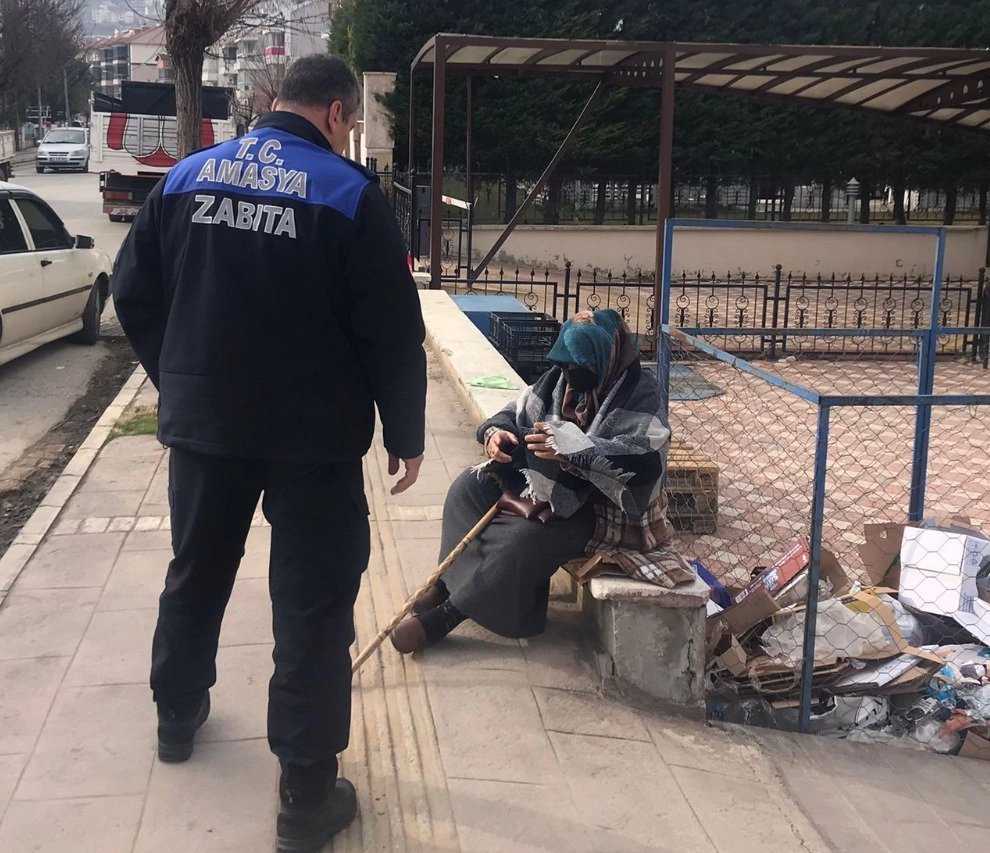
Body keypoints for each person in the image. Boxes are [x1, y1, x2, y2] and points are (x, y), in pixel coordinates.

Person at [111, 55, 426, 853]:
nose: (347, 136)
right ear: (335, 114)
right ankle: (306, 793)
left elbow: (133, 290)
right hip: (313, 440)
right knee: (313, 604)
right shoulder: (349, 195)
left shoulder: (187, 178)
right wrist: (407, 434)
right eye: (350, 124)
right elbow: (392, 330)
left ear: (278, 101)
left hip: (207, 427)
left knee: (197, 568)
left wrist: (179, 379)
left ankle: (176, 713)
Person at [390, 309, 691, 654]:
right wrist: (497, 433)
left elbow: (645, 459)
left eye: (578, 366)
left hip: (603, 507)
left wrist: (573, 450)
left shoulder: (641, 392)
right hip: (548, 485)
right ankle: (448, 582)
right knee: (466, 490)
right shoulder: (559, 379)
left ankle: (448, 615)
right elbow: (515, 410)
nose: (569, 373)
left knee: (522, 539)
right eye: (565, 365)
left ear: (605, 358)